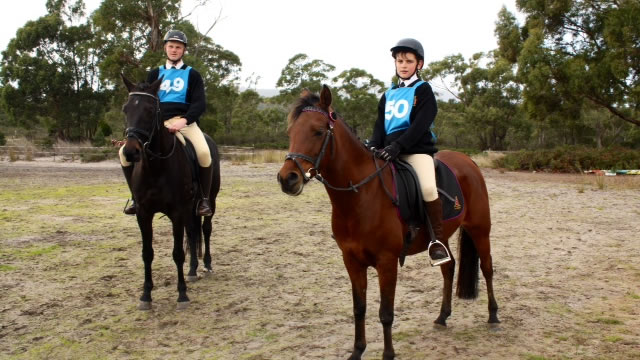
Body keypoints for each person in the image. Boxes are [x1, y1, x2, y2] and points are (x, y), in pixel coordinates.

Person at [368, 38, 450, 266]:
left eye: (408, 61)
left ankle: (438, 241)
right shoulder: (388, 93)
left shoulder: (423, 91)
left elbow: (420, 125)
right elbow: (379, 125)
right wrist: (374, 144)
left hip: (415, 151)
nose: (403, 65)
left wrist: (398, 146)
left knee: (426, 186)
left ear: (419, 64)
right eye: (399, 61)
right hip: (388, 151)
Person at [120, 29, 214, 217]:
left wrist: (184, 121)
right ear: (165, 48)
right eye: (171, 46)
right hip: (157, 125)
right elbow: (146, 102)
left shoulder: (193, 75)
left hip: (184, 123)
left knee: (204, 153)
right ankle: (135, 197)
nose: (174, 50)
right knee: (123, 154)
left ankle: (203, 199)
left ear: (183, 50)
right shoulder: (155, 73)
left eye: (178, 47)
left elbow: (199, 103)